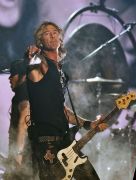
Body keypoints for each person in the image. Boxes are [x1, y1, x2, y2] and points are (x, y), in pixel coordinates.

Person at [25, 21, 107, 180]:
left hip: (66, 141)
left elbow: (62, 110)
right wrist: (30, 57)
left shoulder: (61, 72)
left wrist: (90, 124)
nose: (52, 34)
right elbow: (31, 72)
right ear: (40, 40)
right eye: (46, 33)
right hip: (46, 144)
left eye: (55, 31)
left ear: (60, 37)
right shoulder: (40, 64)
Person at [3, 60, 33, 179]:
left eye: (13, 74)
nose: (10, 78)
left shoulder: (24, 92)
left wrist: (18, 154)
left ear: (23, 76)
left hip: (24, 158)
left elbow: (23, 124)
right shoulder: (21, 93)